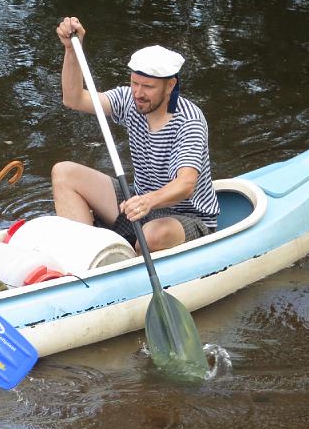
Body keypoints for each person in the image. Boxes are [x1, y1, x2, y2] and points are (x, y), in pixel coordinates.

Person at [51, 16, 220, 254]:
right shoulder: (130, 100)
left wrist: (147, 201)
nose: (138, 94)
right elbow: (74, 99)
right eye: (134, 83)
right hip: (140, 206)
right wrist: (71, 50)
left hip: (185, 217)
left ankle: (131, 266)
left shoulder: (189, 120)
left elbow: (185, 184)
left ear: (169, 86)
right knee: (64, 173)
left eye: (148, 87)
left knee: (151, 236)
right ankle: (88, 258)